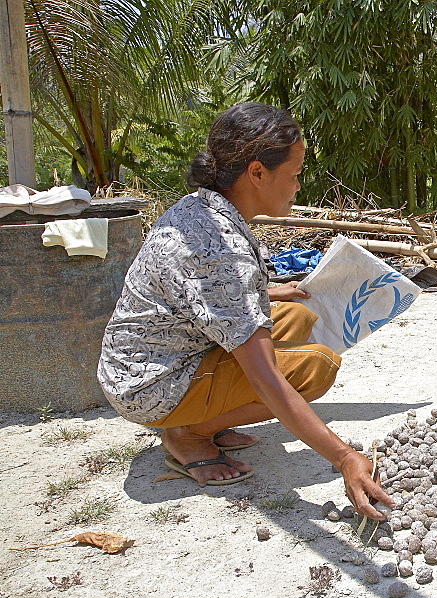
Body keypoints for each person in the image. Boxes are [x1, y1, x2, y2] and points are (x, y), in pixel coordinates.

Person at [98, 102, 392, 520]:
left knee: (298, 315)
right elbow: (267, 378)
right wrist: (344, 457)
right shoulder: (222, 250)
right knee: (315, 367)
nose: (296, 187)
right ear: (257, 172)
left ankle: (205, 418)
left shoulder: (202, 209)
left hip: (151, 359)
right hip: (149, 386)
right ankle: (187, 434)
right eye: (293, 175)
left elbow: (199, 292)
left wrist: (267, 292)